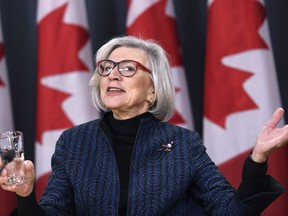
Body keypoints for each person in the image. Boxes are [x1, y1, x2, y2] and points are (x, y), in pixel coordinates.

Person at [0, 36, 288, 215]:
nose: (113, 75)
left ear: (153, 90)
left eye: (127, 68)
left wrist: (258, 158)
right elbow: (55, 212)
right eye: (107, 68)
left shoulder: (184, 144)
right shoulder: (74, 141)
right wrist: (26, 197)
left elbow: (230, 211)